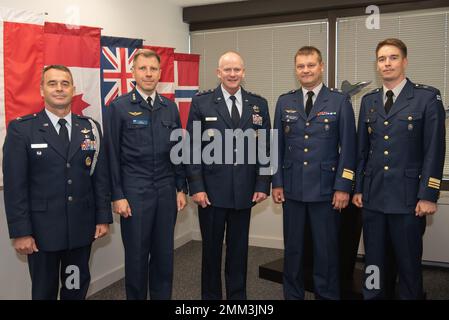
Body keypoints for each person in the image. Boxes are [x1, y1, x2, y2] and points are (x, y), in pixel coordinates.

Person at [2, 65, 111, 300]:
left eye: (65, 83)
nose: (59, 89)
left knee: (74, 288)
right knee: (44, 292)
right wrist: (21, 232)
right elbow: (14, 187)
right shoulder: (23, 129)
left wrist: (102, 216)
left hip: (80, 230)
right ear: (42, 90)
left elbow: (99, 177)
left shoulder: (90, 128)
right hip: (42, 234)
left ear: (73, 89)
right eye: (52, 84)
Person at [352, 38, 446, 300]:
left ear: (404, 61)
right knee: (373, 263)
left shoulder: (427, 97)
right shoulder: (369, 101)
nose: (387, 63)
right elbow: (362, 151)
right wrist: (358, 188)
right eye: (382, 59)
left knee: (408, 265)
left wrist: (428, 194)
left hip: (408, 199)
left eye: (393, 57)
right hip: (373, 198)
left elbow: (434, 151)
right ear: (377, 65)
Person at [272, 46, 357, 300]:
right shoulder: (285, 101)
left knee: (326, 253)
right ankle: (293, 295)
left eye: (311, 65)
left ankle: (327, 296)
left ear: (321, 66)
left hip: (326, 190)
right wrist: (277, 182)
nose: (306, 70)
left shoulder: (339, 101)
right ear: (296, 69)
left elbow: (349, 148)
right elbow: (276, 145)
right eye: (301, 66)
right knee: (294, 251)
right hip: (293, 189)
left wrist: (343, 186)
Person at [186, 51, 271, 300]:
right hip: (211, 193)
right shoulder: (202, 103)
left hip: (244, 191)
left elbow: (265, 146)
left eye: (237, 70)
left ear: (243, 72)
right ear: (218, 73)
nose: (232, 74)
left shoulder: (258, 104)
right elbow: (191, 148)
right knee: (211, 253)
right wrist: (197, 186)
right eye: (227, 70)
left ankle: (237, 300)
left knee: (238, 252)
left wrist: (263, 182)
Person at [106, 49, 187, 300]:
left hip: (165, 191)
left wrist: (180, 187)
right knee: (137, 257)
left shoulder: (169, 107)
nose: (149, 74)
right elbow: (111, 155)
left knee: (164, 256)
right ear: (134, 72)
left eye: (153, 69)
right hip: (134, 191)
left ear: (160, 73)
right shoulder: (119, 108)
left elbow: (177, 152)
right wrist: (117, 195)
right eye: (143, 68)